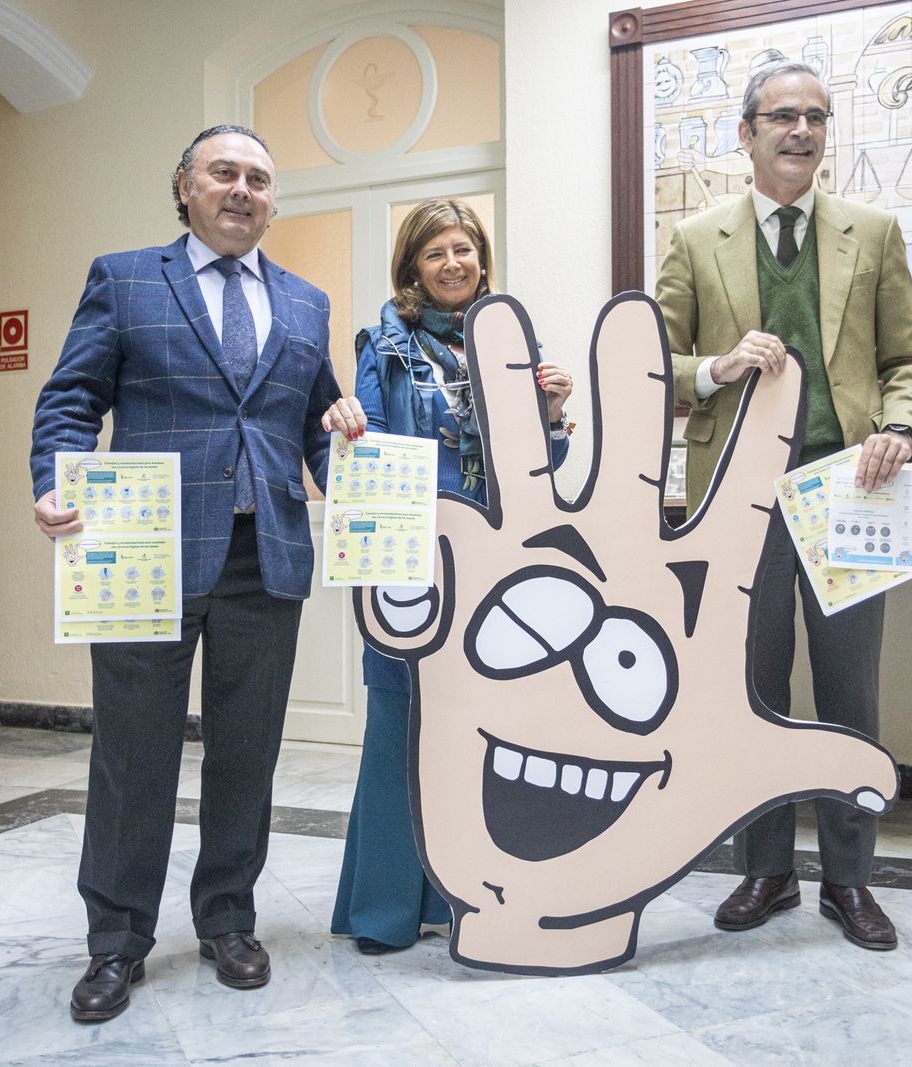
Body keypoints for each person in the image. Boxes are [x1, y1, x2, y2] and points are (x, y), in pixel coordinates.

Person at [30, 125, 366, 1021]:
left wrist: (365, 486)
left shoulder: (305, 302)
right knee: (133, 754)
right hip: (143, 552)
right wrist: (52, 482)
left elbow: (311, 423)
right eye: (225, 173)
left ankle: (227, 918)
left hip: (269, 556)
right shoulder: (126, 277)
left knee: (246, 752)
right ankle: (116, 940)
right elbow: (71, 398)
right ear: (184, 185)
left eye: (259, 178)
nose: (243, 190)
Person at [655, 61, 912, 950]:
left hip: (849, 491)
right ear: (747, 134)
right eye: (783, 116)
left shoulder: (874, 232)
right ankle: (766, 868)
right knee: (752, 687)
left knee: (850, 691)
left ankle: (849, 880)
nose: (801, 131)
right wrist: (717, 367)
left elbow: (910, 363)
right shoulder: (697, 240)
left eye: (816, 117)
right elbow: (648, 364)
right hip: (735, 500)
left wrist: (900, 425)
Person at [331, 198, 573, 954]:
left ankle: (472, 898)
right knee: (400, 726)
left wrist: (556, 413)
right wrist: (342, 427)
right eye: (435, 252)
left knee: (484, 732)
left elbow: (547, 471)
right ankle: (385, 909)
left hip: (497, 563)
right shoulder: (386, 343)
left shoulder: (510, 340)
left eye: (463, 248)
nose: (453, 264)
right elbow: (365, 447)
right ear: (412, 267)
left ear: (482, 257)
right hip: (412, 557)